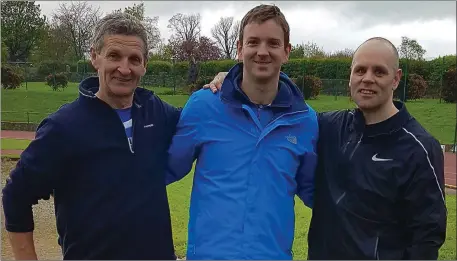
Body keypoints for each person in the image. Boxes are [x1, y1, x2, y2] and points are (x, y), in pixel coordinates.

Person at [205, 37, 447, 260]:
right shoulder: (329, 127)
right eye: (360, 70)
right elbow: (283, 113)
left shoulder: (420, 147)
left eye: (379, 72)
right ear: (350, 76)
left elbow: (427, 234)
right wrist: (239, 80)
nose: (368, 78)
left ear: (396, 78)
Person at [2, 13, 181, 260]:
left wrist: (223, 81)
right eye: (114, 56)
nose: (125, 69)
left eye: (134, 59)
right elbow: (16, 195)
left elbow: (204, 120)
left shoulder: (158, 112)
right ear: (95, 56)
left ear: (145, 64)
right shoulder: (63, 127)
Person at [165, 4, 318, 260]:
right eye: (253, 42)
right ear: (239, 48)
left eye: (273, 43)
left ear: (287, 51)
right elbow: (165, 169)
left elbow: (315, 192)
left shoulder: (305, 121)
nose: (262, 52)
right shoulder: (204, 106)